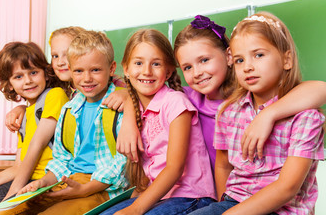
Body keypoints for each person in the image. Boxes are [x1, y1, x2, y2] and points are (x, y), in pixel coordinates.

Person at [117, 15, 326, 173]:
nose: (197, 73)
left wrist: (267, 114)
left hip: (262, 195)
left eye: (204, 60)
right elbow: (137, 91)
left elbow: (320, 89)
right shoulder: (187, 99)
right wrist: (128, 120)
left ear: (228, 56)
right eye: (187, 67)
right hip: (221, 196)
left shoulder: (249, 97)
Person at [190, 12, 325, 215]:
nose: (248, 67)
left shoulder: (306, 118)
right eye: (239, 60)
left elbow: (287, 188)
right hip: (233, 202)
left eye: (259, 55)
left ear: (286, 59)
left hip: (282, 209)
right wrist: (222, 207)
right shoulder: (227, 112)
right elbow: (224, 166)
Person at [0, 31, 128, 215]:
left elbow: (123, 164)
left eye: (95, 70)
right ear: (71, 70)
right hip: (66, 179)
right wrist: (44, 182)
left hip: (102, 187)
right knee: (6, 213)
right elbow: (62, 159)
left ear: (111, 68)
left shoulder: (120, 105)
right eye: (79, 71)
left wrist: (83, 189)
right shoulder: (69, 109)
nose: (87, 78)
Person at [101, 29, 216, 215]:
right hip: (160, 196)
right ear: (127, 69)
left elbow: (174, 168)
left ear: (169, 71)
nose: (146, 71)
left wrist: (135, 209)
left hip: (191, 196)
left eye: (156, 64)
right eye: (139, 63)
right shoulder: (135, 108)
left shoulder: (176, 103)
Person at [0, 42, 69, 204]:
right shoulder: (24, 115)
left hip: (47, 182)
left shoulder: (55, 95)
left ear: (46, 73)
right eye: (18, 76)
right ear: (10, 84)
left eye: (33, 72)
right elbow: (19, 166)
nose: (28, 81)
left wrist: (12, 196)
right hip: (26, 179)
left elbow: (37, 145)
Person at [5, 26, 127, 134]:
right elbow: (40, 108)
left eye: (67, 54)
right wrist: (22, 109)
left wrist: (126, 93)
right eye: (55, 56)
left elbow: (136, 97)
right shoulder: (55, 86)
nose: (60, 62)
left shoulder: (107, 81)